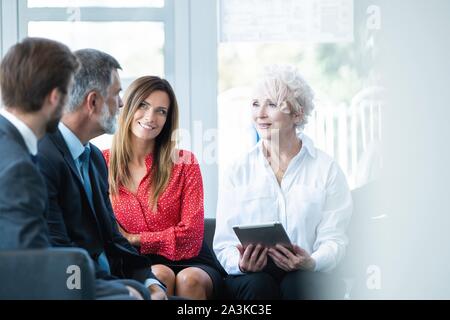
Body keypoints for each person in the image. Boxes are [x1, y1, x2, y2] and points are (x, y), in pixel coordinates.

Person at [213, 64, 353, 300]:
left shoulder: (326, 169)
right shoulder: (238, 171)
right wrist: (241, 263)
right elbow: (224, 244)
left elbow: (334, 240)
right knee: (258, 287)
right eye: (256, 104)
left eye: (272, 104)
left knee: (298, 284)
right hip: (253, 279)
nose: (260, 114)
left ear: (297, 114)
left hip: (308, 274)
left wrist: (312, 261)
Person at [37, 49, 166, 300]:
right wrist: (121, 290)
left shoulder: (94, 157)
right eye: (117, 94)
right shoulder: (42, 158)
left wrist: (150, 283)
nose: (121, 103)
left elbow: (114, 239)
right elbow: (58, 253)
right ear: (93, 101)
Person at [103, 76, 224, 299]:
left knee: (190, 280)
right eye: (143, 105)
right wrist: (129, 244)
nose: (151, 117)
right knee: (159, 275)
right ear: (128, 106)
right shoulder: (102, 163)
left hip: (192, 261)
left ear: (168, 119)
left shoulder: (185, 162)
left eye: (161, 111)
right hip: (135, 262)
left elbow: (192, 236)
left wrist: (135, 238)